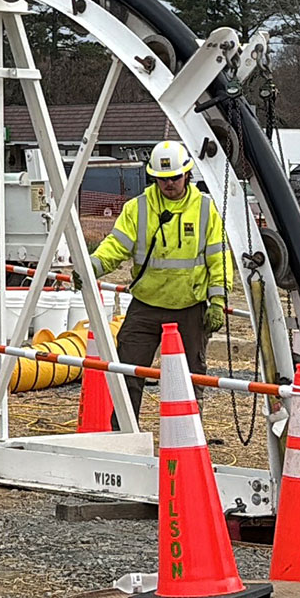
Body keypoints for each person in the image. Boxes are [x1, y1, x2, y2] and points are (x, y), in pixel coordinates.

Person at [75, 139, 233, 423]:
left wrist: (218, 302)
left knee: (190, 378)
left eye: (173, 177)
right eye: (162, 179)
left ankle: (188, 437)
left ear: (187, 174)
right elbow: (116, 246)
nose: (168, 184)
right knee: (128, 372)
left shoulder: (206, 210)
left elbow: (218, 258)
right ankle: (124, 433)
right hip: (146, 305)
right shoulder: (139, 208)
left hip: (189, 306)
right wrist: (91, 267)